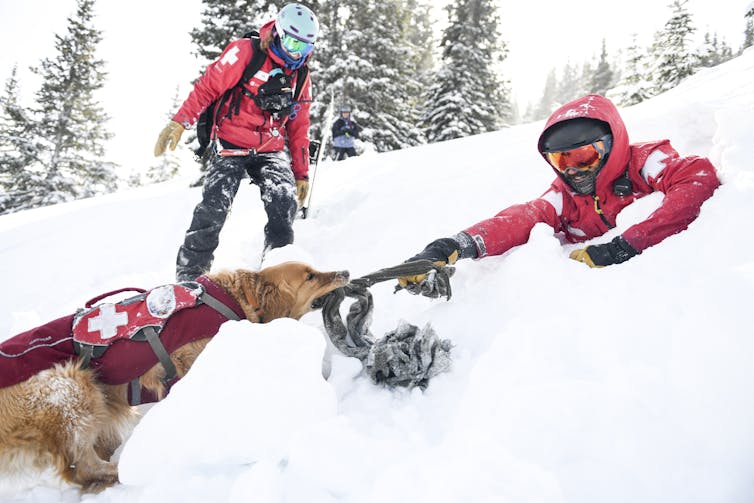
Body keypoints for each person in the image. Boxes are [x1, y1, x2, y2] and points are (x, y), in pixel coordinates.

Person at [398, 94, 721, 298]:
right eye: (560, 160)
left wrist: (627, 245)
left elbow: (697, 178)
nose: (573, 170)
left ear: (612, 145)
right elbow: (521, 218)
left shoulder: (644, 164)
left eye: (583, 157)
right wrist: (454, 245)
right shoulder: (564, 197)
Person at [154, 3, 318, 282]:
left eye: (303, 47)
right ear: (278, 33)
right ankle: (191, 275)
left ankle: (277, 265)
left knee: (283, 199)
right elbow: (207, 87)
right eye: (291, 42)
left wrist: (301, 173)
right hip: (231, 141)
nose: (295, 52)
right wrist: (180, 122)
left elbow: (299, 126)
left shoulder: (301, 76)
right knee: (214, 206)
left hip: (269, 147)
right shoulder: (246, 53)